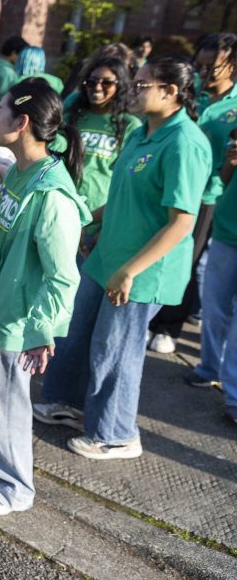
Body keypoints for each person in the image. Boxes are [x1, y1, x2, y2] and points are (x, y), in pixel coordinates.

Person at [35, 57, 212, 460]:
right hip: (107, 258)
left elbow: (182, 222)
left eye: (144, 84)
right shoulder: (142, 133)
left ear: (170, 92)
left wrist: (130, 270)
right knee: (78, 334)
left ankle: (116, 433)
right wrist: (85, 225)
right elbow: (118, 196)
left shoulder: (185, 142)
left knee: (115, 349)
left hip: (142, 271)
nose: (133, 89)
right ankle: (69, 403)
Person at [0, 80, 89, 516]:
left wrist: (42, 330)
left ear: (22, 123)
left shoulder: (52, 193)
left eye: (1, 110)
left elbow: (63, 276)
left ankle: (12, 483)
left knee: (3, 399)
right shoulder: (19, 170)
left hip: (18, 314)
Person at [148, 33, 237, 355]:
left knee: (187, 258)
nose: (205, 72)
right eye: (200, 65)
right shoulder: (191, 95)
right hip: (168, 183)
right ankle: (151, 316)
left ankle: (169, 326)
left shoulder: (236, 106)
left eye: (213, 66)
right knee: (156, 248)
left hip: (208, 195)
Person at [64, 57, 141, 252]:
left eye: (107, 82)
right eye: (92, 81)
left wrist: (105, 228)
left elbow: (128, 183)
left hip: (97, 221)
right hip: (61, 212)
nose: (97, 86)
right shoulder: (72, 116)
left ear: (121, 85)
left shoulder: (130, 125)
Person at [210, 137, 237, 424]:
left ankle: (234, 396)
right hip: (226, 230)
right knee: (214, 309)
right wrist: (230, 164)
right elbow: (224, 179)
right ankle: (208, 367)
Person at [0, 35, 28, 119]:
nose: (23, 60)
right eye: (22, 56)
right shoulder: (8, 73)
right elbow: (9, 101)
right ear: (14, 53)